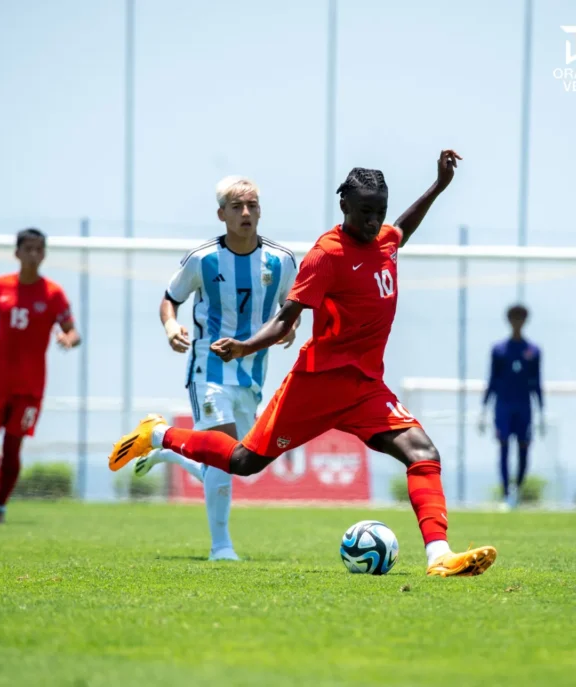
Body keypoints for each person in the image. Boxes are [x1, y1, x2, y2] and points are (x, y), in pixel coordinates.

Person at [109, 150, 497, 577]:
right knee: (243, 462)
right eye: (365, 212)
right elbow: (285, 320)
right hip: (317, 384)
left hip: (366, 387)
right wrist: (243, 347)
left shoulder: (385, 240)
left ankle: (439, 556)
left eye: (379, 212)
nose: (373, 221)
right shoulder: (326, 254)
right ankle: (158, 434)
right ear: (344, 205)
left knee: (423, 453)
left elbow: (403, 227)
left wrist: (438, 186)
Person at [136, 176, 298, 561]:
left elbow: (289, 308)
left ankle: (169, 448)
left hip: (252, 374)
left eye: (252, 205)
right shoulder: (203, 258)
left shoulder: (281, 260)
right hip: (208, 369)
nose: (246, 213)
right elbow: (170, 298)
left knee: (238, 462)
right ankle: (221, 547)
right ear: (221, 214)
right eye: (237, 206)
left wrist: (291, 328)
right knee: (224, 454)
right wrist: (171, 326)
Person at [0, 228, 80, 523]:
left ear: (44, 254)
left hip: (30, 388)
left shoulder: (53, 293)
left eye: (39, 249)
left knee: (12, 447)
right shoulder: (0, 286)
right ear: (17, 253)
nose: (33, 254)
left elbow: (73, 331)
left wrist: (68, 339)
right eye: (28, 249)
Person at [479, 305, 544, 509]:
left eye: (520, 318)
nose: (517, 322)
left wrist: (541, 409)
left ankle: (518, 489)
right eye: (514, 318)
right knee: (504, 446)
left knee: (524, 447)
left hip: (524, 407)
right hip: (503, 406)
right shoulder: (499, 350)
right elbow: (492, 379)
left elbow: (537, 382)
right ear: (509, 321)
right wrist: (484, 409)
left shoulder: (533, 351)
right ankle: (507, 493)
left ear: (525, 321)